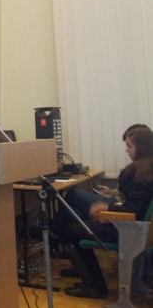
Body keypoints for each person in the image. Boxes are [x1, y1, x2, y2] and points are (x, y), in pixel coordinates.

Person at [54, 126, 153, 299]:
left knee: (68, 231)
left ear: (141, 147)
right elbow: (136, 205)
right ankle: (82, 269)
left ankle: (94, 286)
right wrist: (109, 209)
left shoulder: (139, 173)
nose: (126, 150)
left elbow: (133, 211)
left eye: (129, 146)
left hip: (127, 230)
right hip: (137, 229)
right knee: (75, 217)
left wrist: (106, 210)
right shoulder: (147, 170)